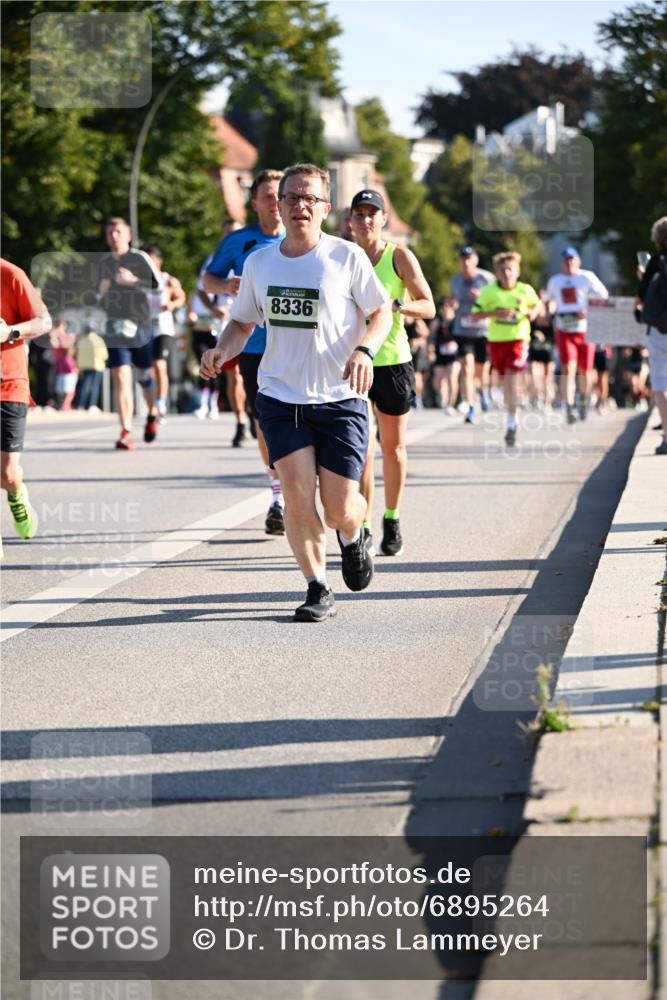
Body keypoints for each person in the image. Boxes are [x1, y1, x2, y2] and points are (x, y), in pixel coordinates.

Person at [200, 163, 392, 622]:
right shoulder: (259, 263)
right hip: (281, 396)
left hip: (340, 396)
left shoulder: (346, 257)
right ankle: (316, 585)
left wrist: (364, 350)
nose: (300, 205)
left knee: (341, 507)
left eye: (310, 198)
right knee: (297, 492)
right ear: (278, 205)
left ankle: (354, 535)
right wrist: (221, 351)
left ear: (326, 208)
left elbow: (381, 313)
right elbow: (244, 321)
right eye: (291, 197)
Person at [348, 188, 435, 556]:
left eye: (373, 213)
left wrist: (399, 306)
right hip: (353, 362)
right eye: (360, 213)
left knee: (393, 449)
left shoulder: (399, 256)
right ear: (349, 221)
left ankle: (393, 516)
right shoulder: (342, 256)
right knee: (363, 449)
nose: (366, 219)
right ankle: (364, 523)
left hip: (393, 361)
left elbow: (428, 305)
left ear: (384, 219)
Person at [204, 170, 287, 532]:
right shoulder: (241, 241)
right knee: (265, 423)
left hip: (299, 348)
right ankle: (278, 495)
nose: (275, 203)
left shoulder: (304, 238)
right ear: (254, 203)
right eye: (267, 196)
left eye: (279, 195)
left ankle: (300, 483)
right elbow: (207, 280)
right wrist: (227, 284)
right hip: (254, 346)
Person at [1, 257, 53, 545]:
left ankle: (17, 494)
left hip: (9, 384)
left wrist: (10, 331)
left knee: (7, 472)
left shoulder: (10, 275)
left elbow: (44, 321)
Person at [98, 217, 161, 450]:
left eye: (118, 231)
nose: (114, 235)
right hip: (114, 327)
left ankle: (152, 412)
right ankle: (125, 431)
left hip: (140, 325)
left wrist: (132, 280)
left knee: (144, 377)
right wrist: (101, 290)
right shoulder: (103, 262)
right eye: (110, 232)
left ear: (128, 235)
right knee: (121, 377)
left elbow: (158, 284)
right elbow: (95, 294)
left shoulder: (138, 258)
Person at [471, 251, 541, 447]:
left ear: (517, 272)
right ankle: (511, 416)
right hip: (496, 341)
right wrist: (496, 313)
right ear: (497, 273)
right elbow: (475, 315)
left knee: (511, 378)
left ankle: (512, 422)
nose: (507, 273)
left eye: (510, 269)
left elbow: (537, 306)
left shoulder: (525, 290)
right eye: (502, 270)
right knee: (504, 381)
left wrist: (530, 312)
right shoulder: (489, 292)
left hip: (518, 340)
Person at [546, 247, 609, 424]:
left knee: (585, 370)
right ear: (561, 262)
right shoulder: (556, 281)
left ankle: (583, 399)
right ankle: (569, 405)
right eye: (566, 260)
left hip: (584, 330)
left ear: (578, 261)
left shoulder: (587, 277)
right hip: (564, 330)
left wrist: (587, 310)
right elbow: (550, 300)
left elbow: (604, 297)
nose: (569, 263)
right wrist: (550, 310)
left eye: (572, 259)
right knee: (568, 368)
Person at [450, 246, 494, 424]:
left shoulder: (487, 279)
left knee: (481, 370)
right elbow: (452, 301)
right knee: (467, 368)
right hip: (462, 329)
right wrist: (452, 304)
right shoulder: (455, 280)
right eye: (463, 258)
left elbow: (496, 301)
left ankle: (482, 391)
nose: (466, 262)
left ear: (476, 260)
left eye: (469, 258)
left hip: (482, 330)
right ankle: (470, 407)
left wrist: (481, 299)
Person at [144, 245, 186, 419]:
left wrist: (172, 304)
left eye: (151, 259)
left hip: (164, 328)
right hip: (146, 328)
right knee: (148, 369)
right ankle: (152, 405)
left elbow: (182, 297)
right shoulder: (139, 282)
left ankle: (161, 402)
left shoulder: (168, 280)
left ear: (159, 261)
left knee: (160, 365)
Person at [637, 216, 667, 454]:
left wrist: (642, 276)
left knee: (660, 383)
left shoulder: (656, 262)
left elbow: (642, 299)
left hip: (659, 330)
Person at [429, 296, 460, 414]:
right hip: (440, 355)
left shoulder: (457, 321)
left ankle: (450, 405)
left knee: (452, 377)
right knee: (437, 381)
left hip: (455, 355)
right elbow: (431, 338)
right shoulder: (438, 322)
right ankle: (443, 395)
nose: (446, 308)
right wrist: (431, 352)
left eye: (448, 306)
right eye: (444, 306)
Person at [75, 320, 108, 410]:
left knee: (83, 386)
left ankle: (80, 405)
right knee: (94, 387)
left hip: (83, 367)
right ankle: (91, 405)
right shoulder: (98, 340)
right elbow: (104, 355)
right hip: (96, 366)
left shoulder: (81, 341)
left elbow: (77, 355)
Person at [51, 316, 78, 410]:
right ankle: (65, 405)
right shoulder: (59, 334)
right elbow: (63, 345)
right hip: (64, 364)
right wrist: (71, 340)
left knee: (61, 387)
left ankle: (62, 404)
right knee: (69, 389)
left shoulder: (55, 333)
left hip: (60, 363)